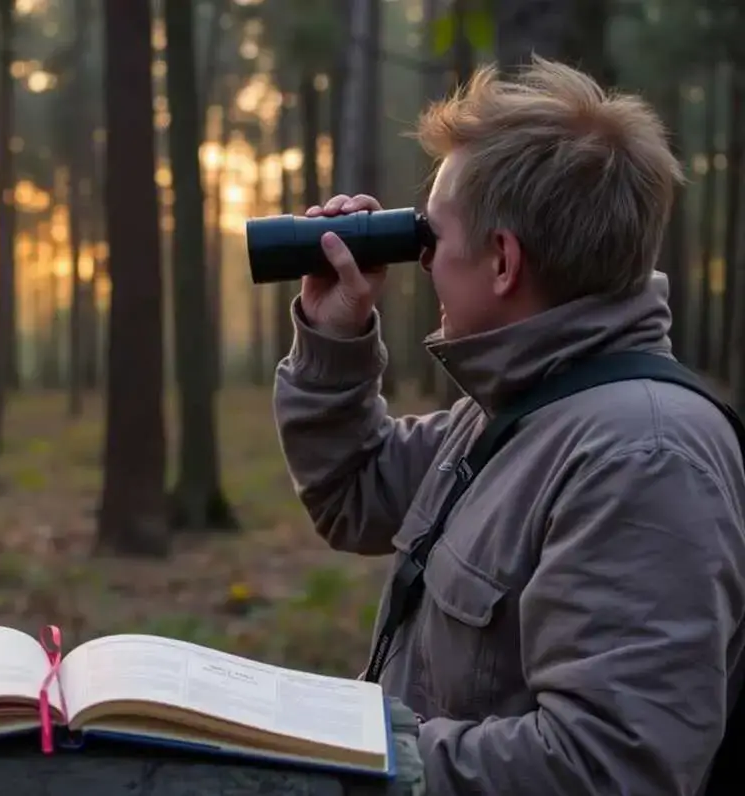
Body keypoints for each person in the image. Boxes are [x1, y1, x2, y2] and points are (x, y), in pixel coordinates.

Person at [272, 56, 745, 795]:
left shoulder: (642, 454)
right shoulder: (525, 410)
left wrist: (367, 757)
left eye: (429, 238)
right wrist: (336, 335)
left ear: (501, 261)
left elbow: (612, 768)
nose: (420, 261)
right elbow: (354, 495)